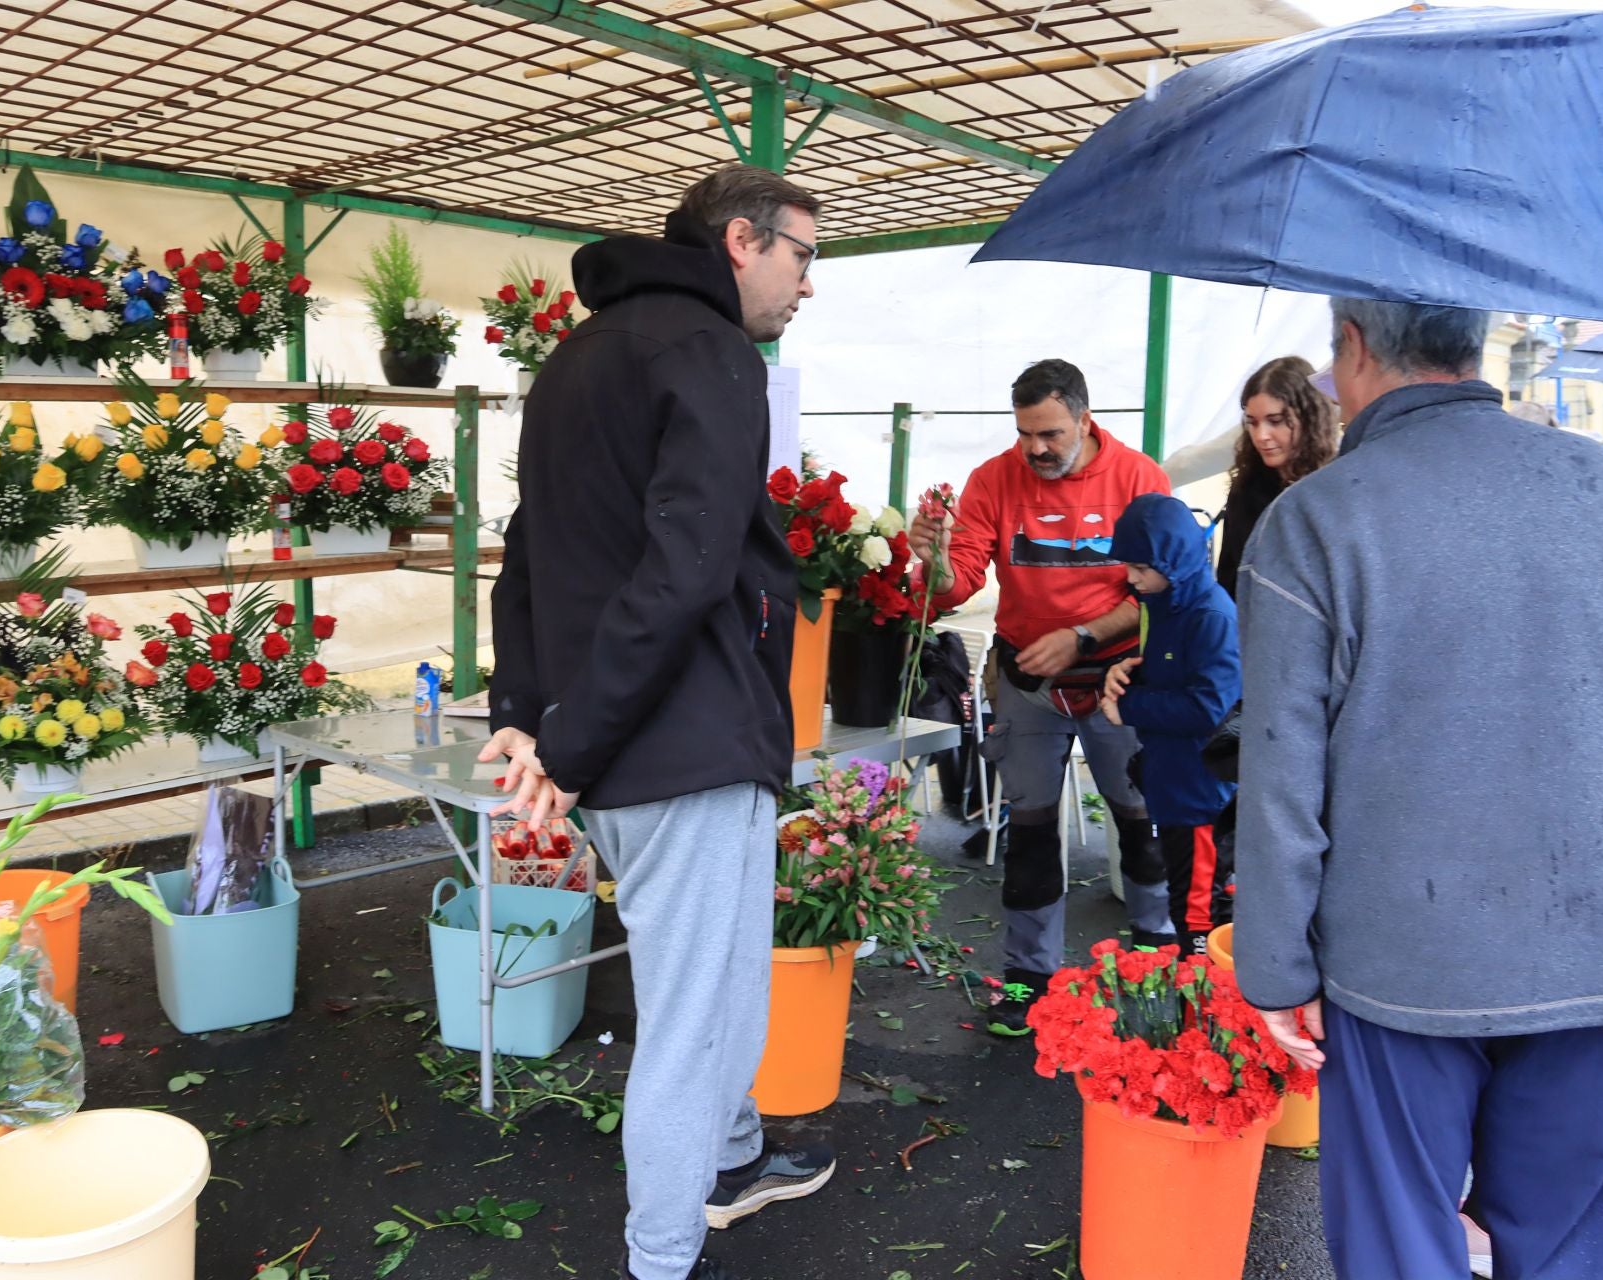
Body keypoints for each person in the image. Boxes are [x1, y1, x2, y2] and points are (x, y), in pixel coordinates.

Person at [1237, 297, 1603, 1280]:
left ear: (1352, 348)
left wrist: (1274, 972)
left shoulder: (1315, 520)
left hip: (1411, 959)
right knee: (1576, 1250)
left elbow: (1281, 777)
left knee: (1402, 1239)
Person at [481, 164, 833, 1280]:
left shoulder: (576, 359)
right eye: (803, 255)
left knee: (723, 987)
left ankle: (730, 1157)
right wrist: (565, 744)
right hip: (680, 743)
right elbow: (687, 568)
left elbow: (526, 556)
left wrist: (528, 718)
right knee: (690, 1020)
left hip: (623, 743)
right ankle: (661, 1255)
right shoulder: (714, 351)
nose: (807, 284)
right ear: (743, 240)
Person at [909, 359, 1174, 1034]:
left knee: (1141, 824)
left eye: (1051, 433)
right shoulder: (993, 480)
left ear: (1086, 421)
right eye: (1026, 433)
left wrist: (1083, 636)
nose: (1037, 449)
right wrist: (934, 559)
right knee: (1028, 835)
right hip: (1028, 684)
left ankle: (1160, 971)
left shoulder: (1139, 479)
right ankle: (1030, 982)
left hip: (1120, 683)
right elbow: (957, 581)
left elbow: (1163, 587)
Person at [1099, 493, 1240, 957]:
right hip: (1174, 787)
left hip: (1200, 797)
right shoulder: (1163, 603)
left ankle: (1206, 1016)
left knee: (1201, 919)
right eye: (1128, 565)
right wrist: (1129, 673)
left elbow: (1208, 707)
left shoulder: (1209, 614)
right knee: (1188, 908)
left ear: (1174, 559)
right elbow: (1174, 671)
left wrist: (1131, 706)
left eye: (1141, 567)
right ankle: (1199, 1013)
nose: (1130, 577)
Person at [1213, 355, 1340, 598]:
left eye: (1275, 421)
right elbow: (1229, 582)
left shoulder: (1336, 486)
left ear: (1308, 417)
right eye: (1253, 423)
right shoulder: (1245, 491)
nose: (1261, 435)